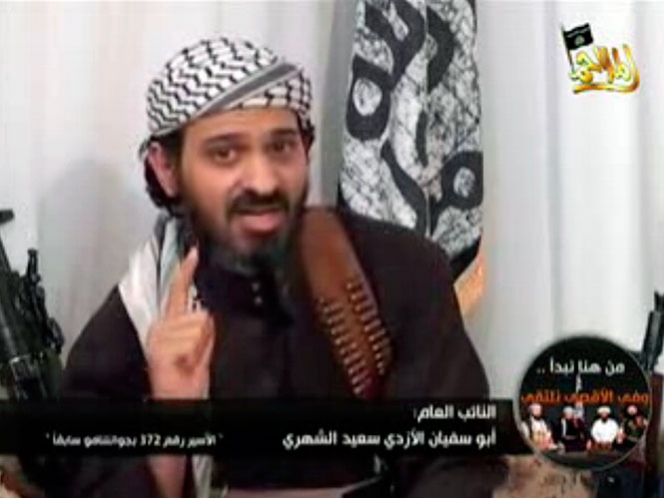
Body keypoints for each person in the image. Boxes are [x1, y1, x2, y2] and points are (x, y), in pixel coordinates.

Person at [52, 37, 506, 498]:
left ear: (305, 149)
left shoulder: (396, 269)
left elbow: (456, 462)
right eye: (225, 154)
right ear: (167, 168)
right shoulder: (145, 308)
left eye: (281, 147)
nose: (264, 181)